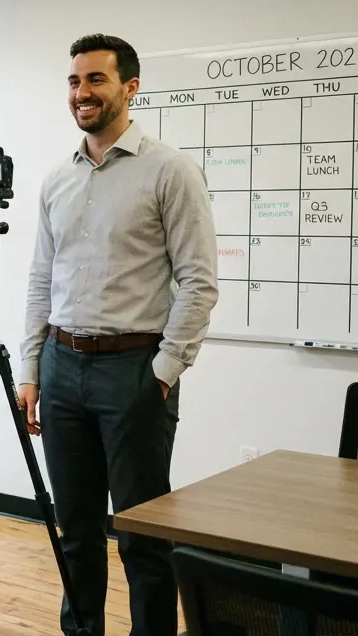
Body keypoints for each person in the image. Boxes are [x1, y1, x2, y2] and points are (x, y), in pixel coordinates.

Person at [17, 35, 219, 636]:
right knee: (75, 530)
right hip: (61, 366)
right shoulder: (57, 179)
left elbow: (199, 282)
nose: (83, 93)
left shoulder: (170, 170)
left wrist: (161, 373)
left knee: (142, 535)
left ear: (130, 87)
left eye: (96, 80)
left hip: (133, 370)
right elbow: (39, 282)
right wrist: (31, 372)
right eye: (75, 81)